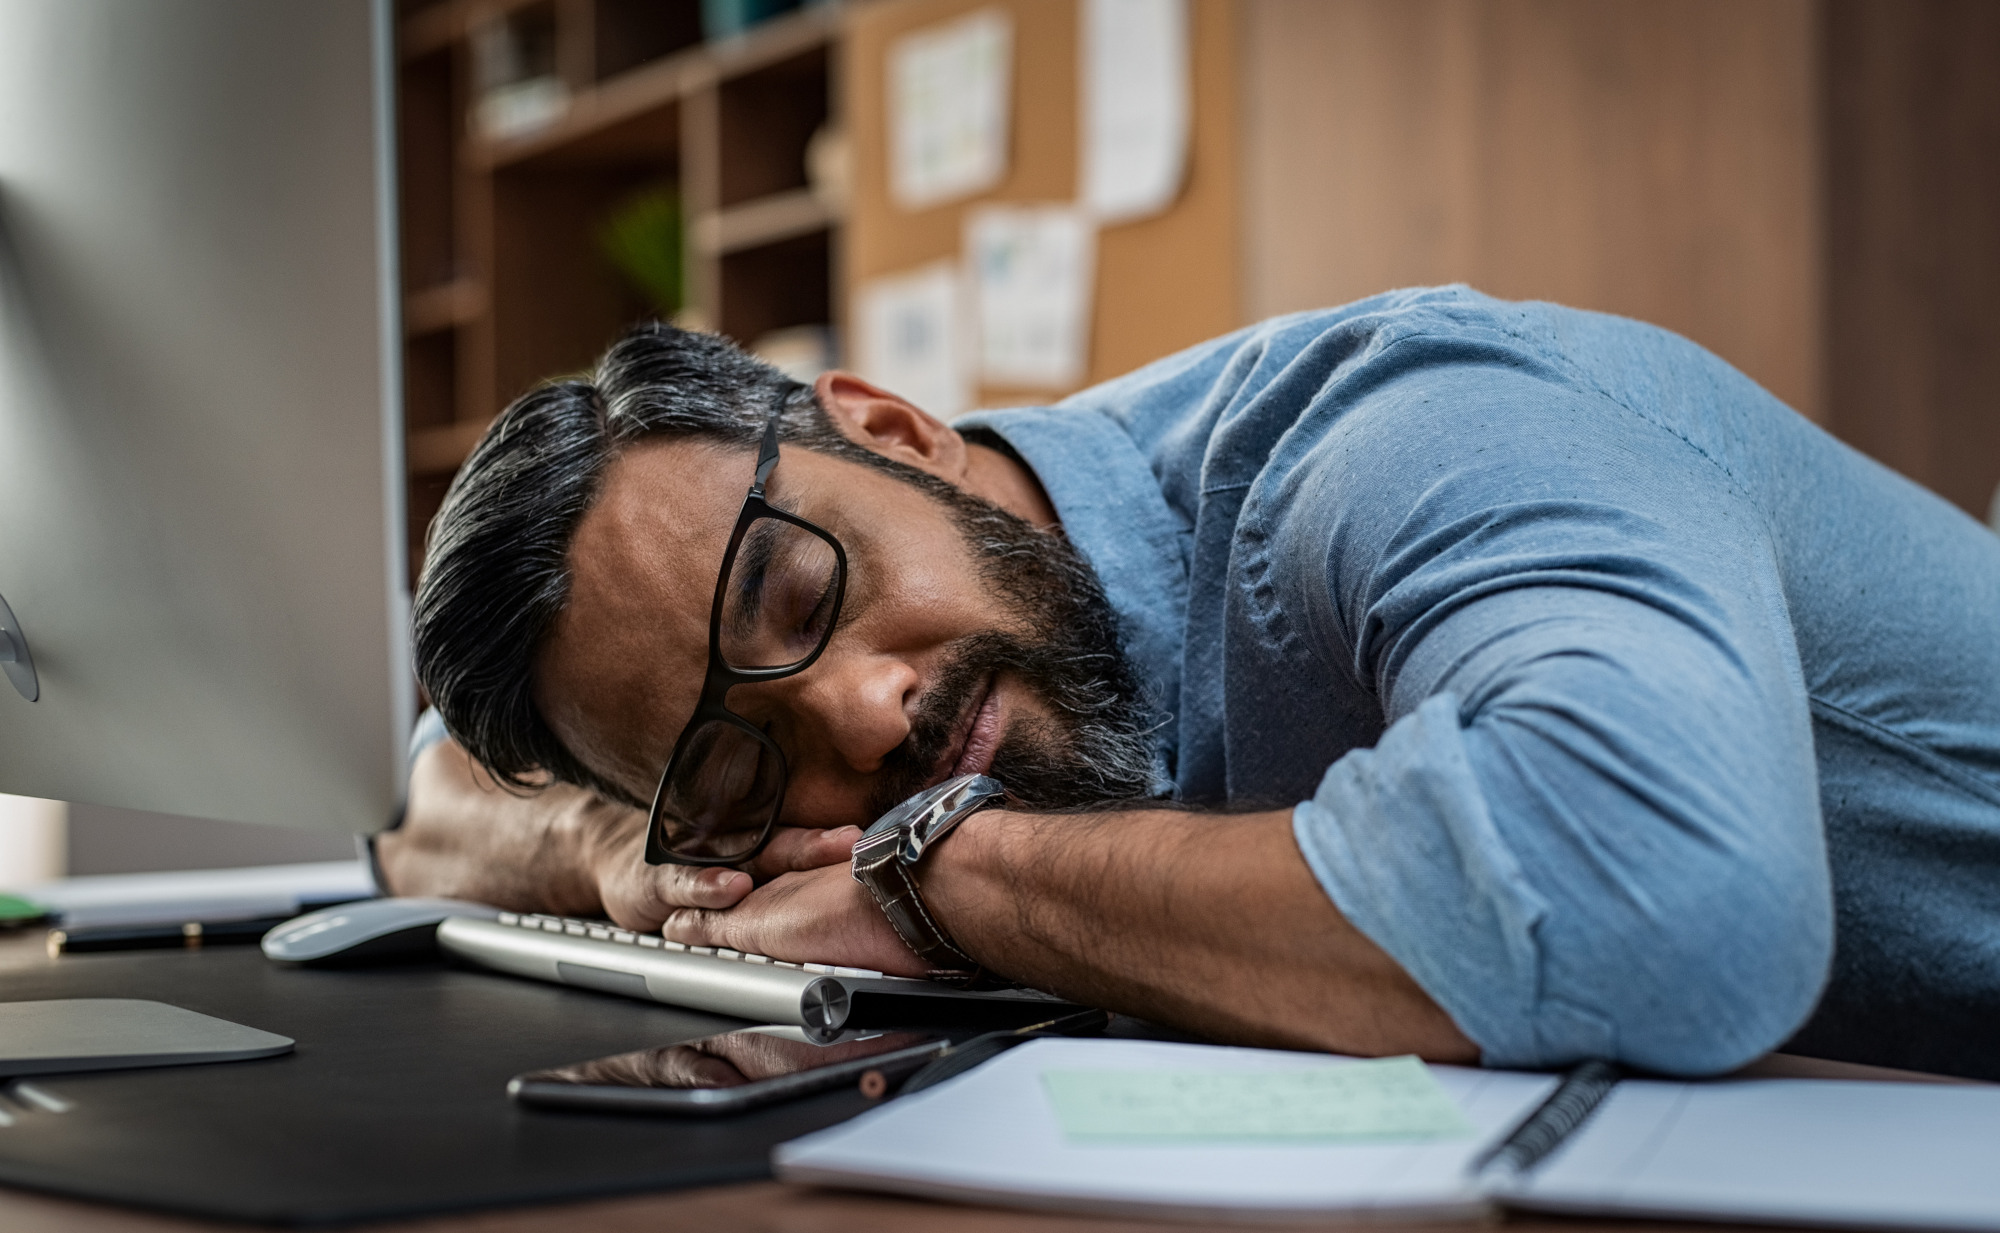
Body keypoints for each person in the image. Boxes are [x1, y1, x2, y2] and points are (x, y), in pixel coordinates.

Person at [384, 286, 2000, 1080]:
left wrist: (951, 874)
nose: (864, 719)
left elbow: (1668, 901)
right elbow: (435, 785)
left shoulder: (1393, 437)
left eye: (803, 593)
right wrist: (621, 851)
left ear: (888, 428)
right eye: (740, 761)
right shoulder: (755, 742)